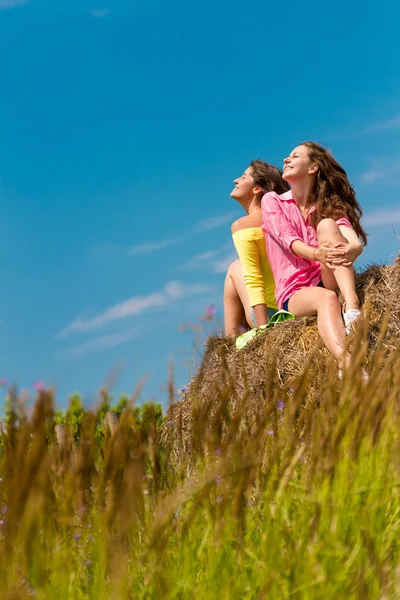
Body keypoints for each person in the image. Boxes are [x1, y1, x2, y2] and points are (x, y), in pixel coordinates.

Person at [261, 142, 368, 374]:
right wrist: (318, 254)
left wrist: (355, 249)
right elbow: (288, 240)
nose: (286, 160)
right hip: (295, 290)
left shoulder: (325, 204)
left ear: (313, 168)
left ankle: (352, 306)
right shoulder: (272, 201)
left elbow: (350, 238)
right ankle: (347, 364)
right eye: (288, 156)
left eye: (295, 156)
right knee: (327, 298)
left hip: (327, 274)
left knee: (328, 224)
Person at [224, 160, 289, 336]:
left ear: (257, 189)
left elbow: (254, 278)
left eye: (243, 177)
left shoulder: (242, 225)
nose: (236, 180)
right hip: (294, 304)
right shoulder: (286, 219)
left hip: (267, 314)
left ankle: (230, 342)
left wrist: (263, 328)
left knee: (234, 268)